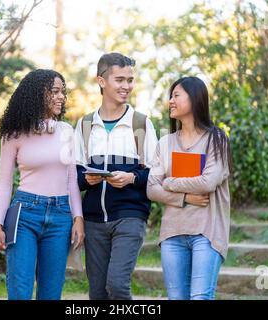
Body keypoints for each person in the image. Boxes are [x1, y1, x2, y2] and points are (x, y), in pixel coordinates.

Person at [0, 69, 84, 300]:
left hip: (61, 216)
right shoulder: (13, 135)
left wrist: (78, 218)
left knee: (51, 292)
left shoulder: (66, 131)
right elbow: (4, 184)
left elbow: (71, 179)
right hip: (24, 215)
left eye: (63, 91)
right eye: (55, 91)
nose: (61, 97)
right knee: (20, 288)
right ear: (36, 95)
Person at [74, 52, 158, 300]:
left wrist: (131, 178)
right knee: (97, 293)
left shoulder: (141, 124)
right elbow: (74, 175)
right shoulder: (85, 124)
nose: (127, 86)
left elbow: (155, 173)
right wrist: (85, 179)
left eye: (130, 80)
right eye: (120, 80)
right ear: (102, 81)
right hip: (93, 220)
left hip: (130, 216)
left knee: (118, 286)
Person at [147, 76, 232, 300]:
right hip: (172, 234)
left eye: (176, 95)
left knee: (200, 297)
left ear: (194, 99)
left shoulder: (216, 139)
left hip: (207, 233)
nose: (170, 101)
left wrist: (170, 182)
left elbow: (208, 182)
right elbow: (151, 189)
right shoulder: (165, 143)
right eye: (170, 97)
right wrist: (185, 197)